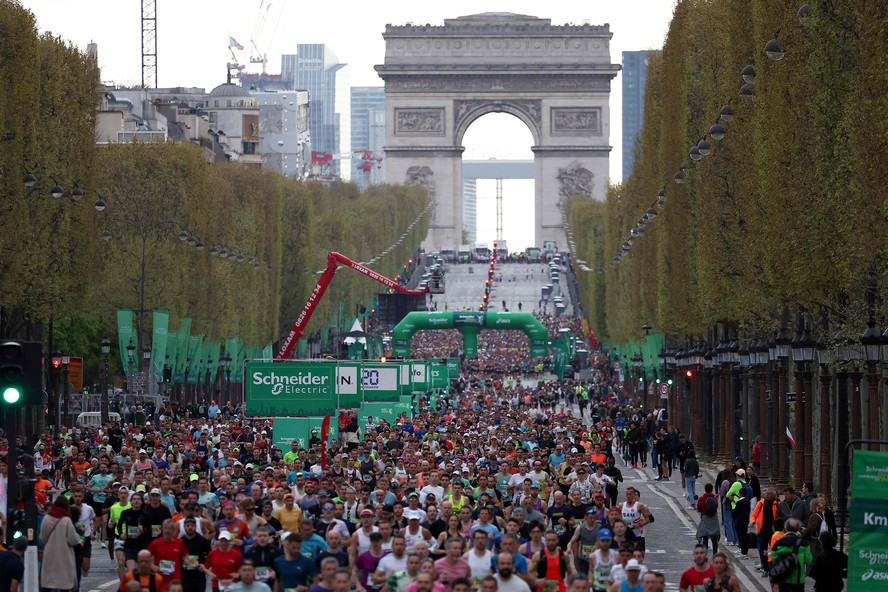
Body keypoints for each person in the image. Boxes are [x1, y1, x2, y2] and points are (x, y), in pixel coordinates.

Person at [40, 496, 82, 592]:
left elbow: (42, 538)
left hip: (49, 556)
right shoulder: (66, 520)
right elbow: (73, 540)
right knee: (64, 584)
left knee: (48, 584)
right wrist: (78, 537)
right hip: (64, 557)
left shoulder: (46, 518)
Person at [769, 518, 813, 592]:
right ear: (798, 529)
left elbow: (773, 558)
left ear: (785, 529)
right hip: (798, 579)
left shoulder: (779, 542)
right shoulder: (804, 543)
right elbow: (809, 560)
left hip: (783, 577)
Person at [749, 487, 779, 573]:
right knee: (762, 550)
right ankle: (765, 567)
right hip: (762, 531)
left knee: (773, 550)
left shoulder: (777, 504)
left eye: (769, 494)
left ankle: (772, 567)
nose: (767, 495)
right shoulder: (761, 503)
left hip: (773, 532)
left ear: (773, 495)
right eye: (766, 493)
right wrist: (752, 521)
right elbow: (754, 514)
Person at [695, 484, 721, 555]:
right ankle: (715, 554)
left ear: (705, 489)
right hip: (713, 519)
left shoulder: (701, 499)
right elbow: (716, 507)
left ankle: (705, 554)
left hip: (705, 519)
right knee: (714, 539)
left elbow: (699, 509)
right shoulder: (715, 499)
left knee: (705, 538)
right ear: (712, 489)